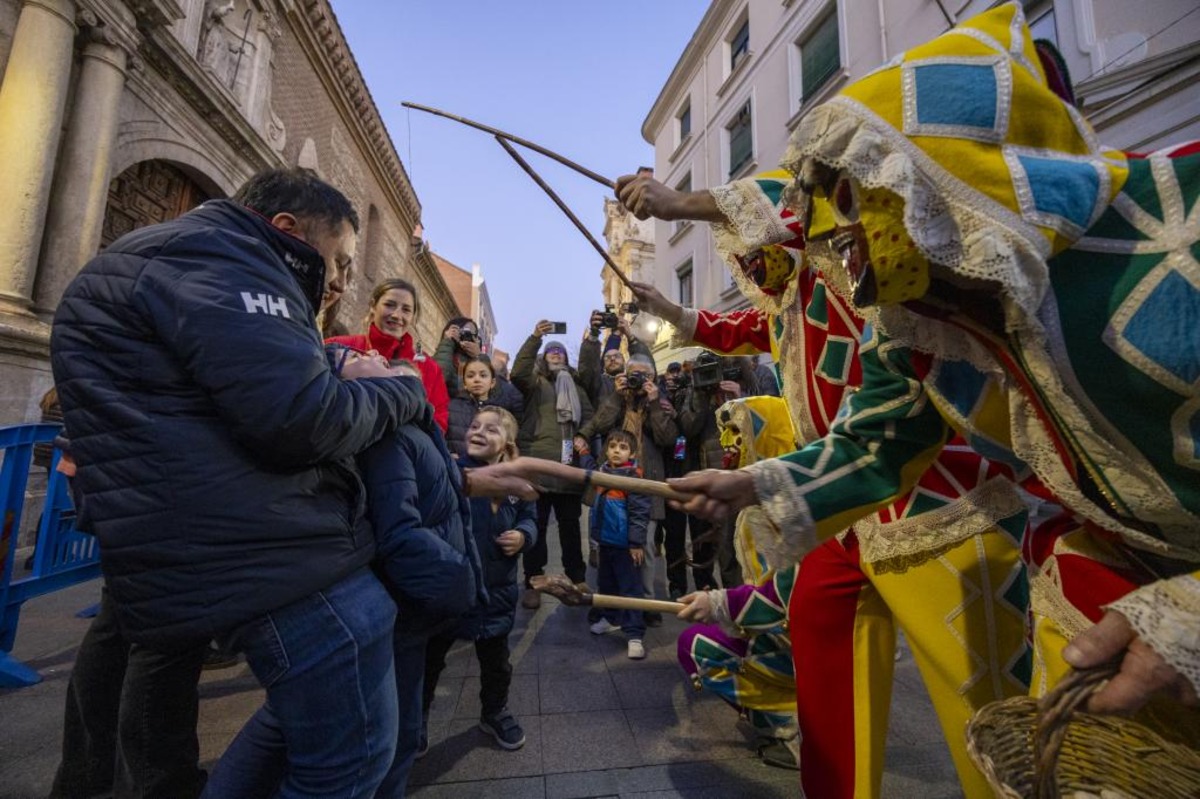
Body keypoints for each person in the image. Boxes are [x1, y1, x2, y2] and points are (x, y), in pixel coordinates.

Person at [657, 0, 1199, 770]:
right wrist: (751, 484)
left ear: (933, 188)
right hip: (1104, 590)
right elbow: (879, 440)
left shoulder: (1173, 227)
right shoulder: (924, 321)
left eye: (854, 229)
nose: (847, 262)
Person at [51, 166, 431, 797]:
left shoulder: (188, 258)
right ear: (287, 230)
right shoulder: (222, 262)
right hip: (255, 544)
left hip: (185, 527)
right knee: (350, 756)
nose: (338, 281)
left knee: (153, 659)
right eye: (336, 260)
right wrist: (398, 392)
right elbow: (301, 419)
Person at [202, 349, 486, 799]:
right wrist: (460, 579)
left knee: (290, 722)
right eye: (354, 355)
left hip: (399, 607)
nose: (373, 352)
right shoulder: (385, 433)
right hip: (398, 609)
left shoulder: (404, 423)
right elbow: (401, 533)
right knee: (381, 744)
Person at [423, 406, 538, 753]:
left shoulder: (517, 484)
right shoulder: (452, 474)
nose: (478, 432)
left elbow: (531, 519)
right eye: (475, 426)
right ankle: (416, 721)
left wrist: (522, 535)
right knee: (430, 661)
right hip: (453, 588)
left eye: (491, 429)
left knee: (497, 664)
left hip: (496, 591)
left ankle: (494, 712)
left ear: (507, 444)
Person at [576, 354, 678, 622]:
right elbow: (599, 425)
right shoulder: (617, 399)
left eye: (643, 374)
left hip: (646, 485)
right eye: (633, 373)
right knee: (609, 548)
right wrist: (616, 397)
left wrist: (655, 403)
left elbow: (668, 438)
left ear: (653, 378)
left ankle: (645, 605)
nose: (637, 378)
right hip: (612, 486)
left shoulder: (662, 403)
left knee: (644, 549)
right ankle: (611, 604)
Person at [510, 322, 594, 610]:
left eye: (560, 352)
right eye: (551, 352)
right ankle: (533, 582)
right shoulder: (535, 382)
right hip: (538, 466)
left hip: (568, 466)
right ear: (544, 358)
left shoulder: (577, 385)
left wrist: (584, 435)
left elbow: (589, 417)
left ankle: (577, 579)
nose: (556, 355)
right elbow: (517, 372)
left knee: (570, 529)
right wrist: (536, 337)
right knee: (537, 527)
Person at [327, 277, 451, 432]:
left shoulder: (429, 367)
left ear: (413, 317)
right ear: (373, 306)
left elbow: (438, 422)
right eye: (389, 305)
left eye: (406, 310)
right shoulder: (339, 347)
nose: (396, 315)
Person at [585, 430, 652, 660]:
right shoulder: (603, 472)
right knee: (607, 583)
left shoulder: (633, 477)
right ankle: (611, 617)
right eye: (612, 445)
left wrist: (636, 543)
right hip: (606, 542)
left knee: (630, 589)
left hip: (626, 546)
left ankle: (634, 634)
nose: (616, 450)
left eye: (622, 447)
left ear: (632, 453)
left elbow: (639, 513)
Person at [446, 355, 499, 458]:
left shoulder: (499, 413)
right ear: (464, 383)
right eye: (470, 376)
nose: (477, 380)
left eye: (483, 375)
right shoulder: (451, 407)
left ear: (492, 382)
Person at [433, 316, 483, 397]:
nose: (468, 336)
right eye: (465, 331)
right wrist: (447, 342)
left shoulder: (477, 361)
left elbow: (488, 390)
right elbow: (439, 377)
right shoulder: (444, 352)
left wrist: (479, 356)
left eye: (473, 334)